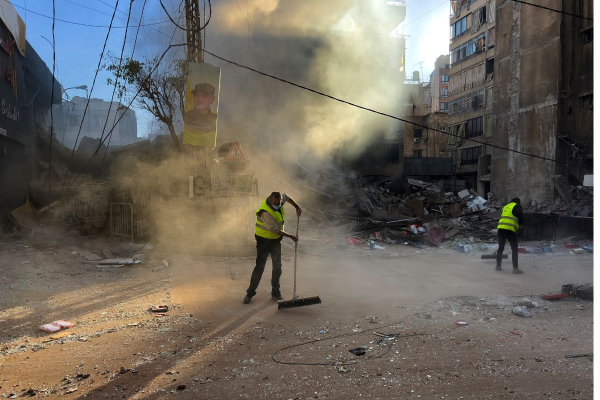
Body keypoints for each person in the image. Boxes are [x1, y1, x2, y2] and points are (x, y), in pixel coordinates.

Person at [243, 192, 302, 304]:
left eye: (278, 203)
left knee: (277, 267)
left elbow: (288, 197)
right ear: (270, 200)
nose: (277, 205)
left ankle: (275, 292)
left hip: (275, 241)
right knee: (260, 267)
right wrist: (290, 236)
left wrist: (297, 207)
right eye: (275, 203)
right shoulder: (265, 212)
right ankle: (250, 293)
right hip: (263, 241)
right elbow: (275, 230)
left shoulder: (279, 200)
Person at [496, 197, 524, 274]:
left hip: (501, 229)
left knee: (501, 248)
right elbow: (520, 216)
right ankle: (515, 268)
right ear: (518, 202)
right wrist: (521, 225)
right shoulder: (517, 205)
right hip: (510, 230)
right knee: (514, 249)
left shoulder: (506, 206)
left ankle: (498, 266)